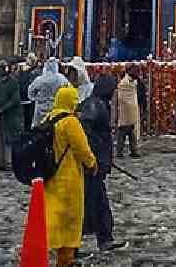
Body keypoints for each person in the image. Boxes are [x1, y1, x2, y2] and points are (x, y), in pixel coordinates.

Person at [44, 86, 98, 267]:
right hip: (69, 178)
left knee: (55, 217)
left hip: (51, 176)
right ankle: (66, 260)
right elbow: (81, 148)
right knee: (70, 220)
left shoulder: (49, 118)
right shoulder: (70, 122)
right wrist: (92, 163)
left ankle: (60, 255)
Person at [78, 75, 128, 253]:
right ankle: (99, 239)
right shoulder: (94, 106)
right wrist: (96, 156)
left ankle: (100, 238)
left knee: (95, 204)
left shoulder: (96, 103)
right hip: (92, 164)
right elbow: (86, 131)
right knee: (95, 204)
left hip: (95, 162)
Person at [27, 58, 70, 128]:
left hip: (40, 111)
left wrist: (35, 99)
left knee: (39, 131)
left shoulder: (40, 79)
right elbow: (68, 91)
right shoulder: (62, 79)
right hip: (56, 110)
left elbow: (30, 92)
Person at [114, 69, 142, 158]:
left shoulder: (122, 85)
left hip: (124, 113)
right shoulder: (132, 84)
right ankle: (134, 150)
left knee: (121, 134)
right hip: (132, 112)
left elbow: (120, 99)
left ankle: (120, 152)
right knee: (131, 133)